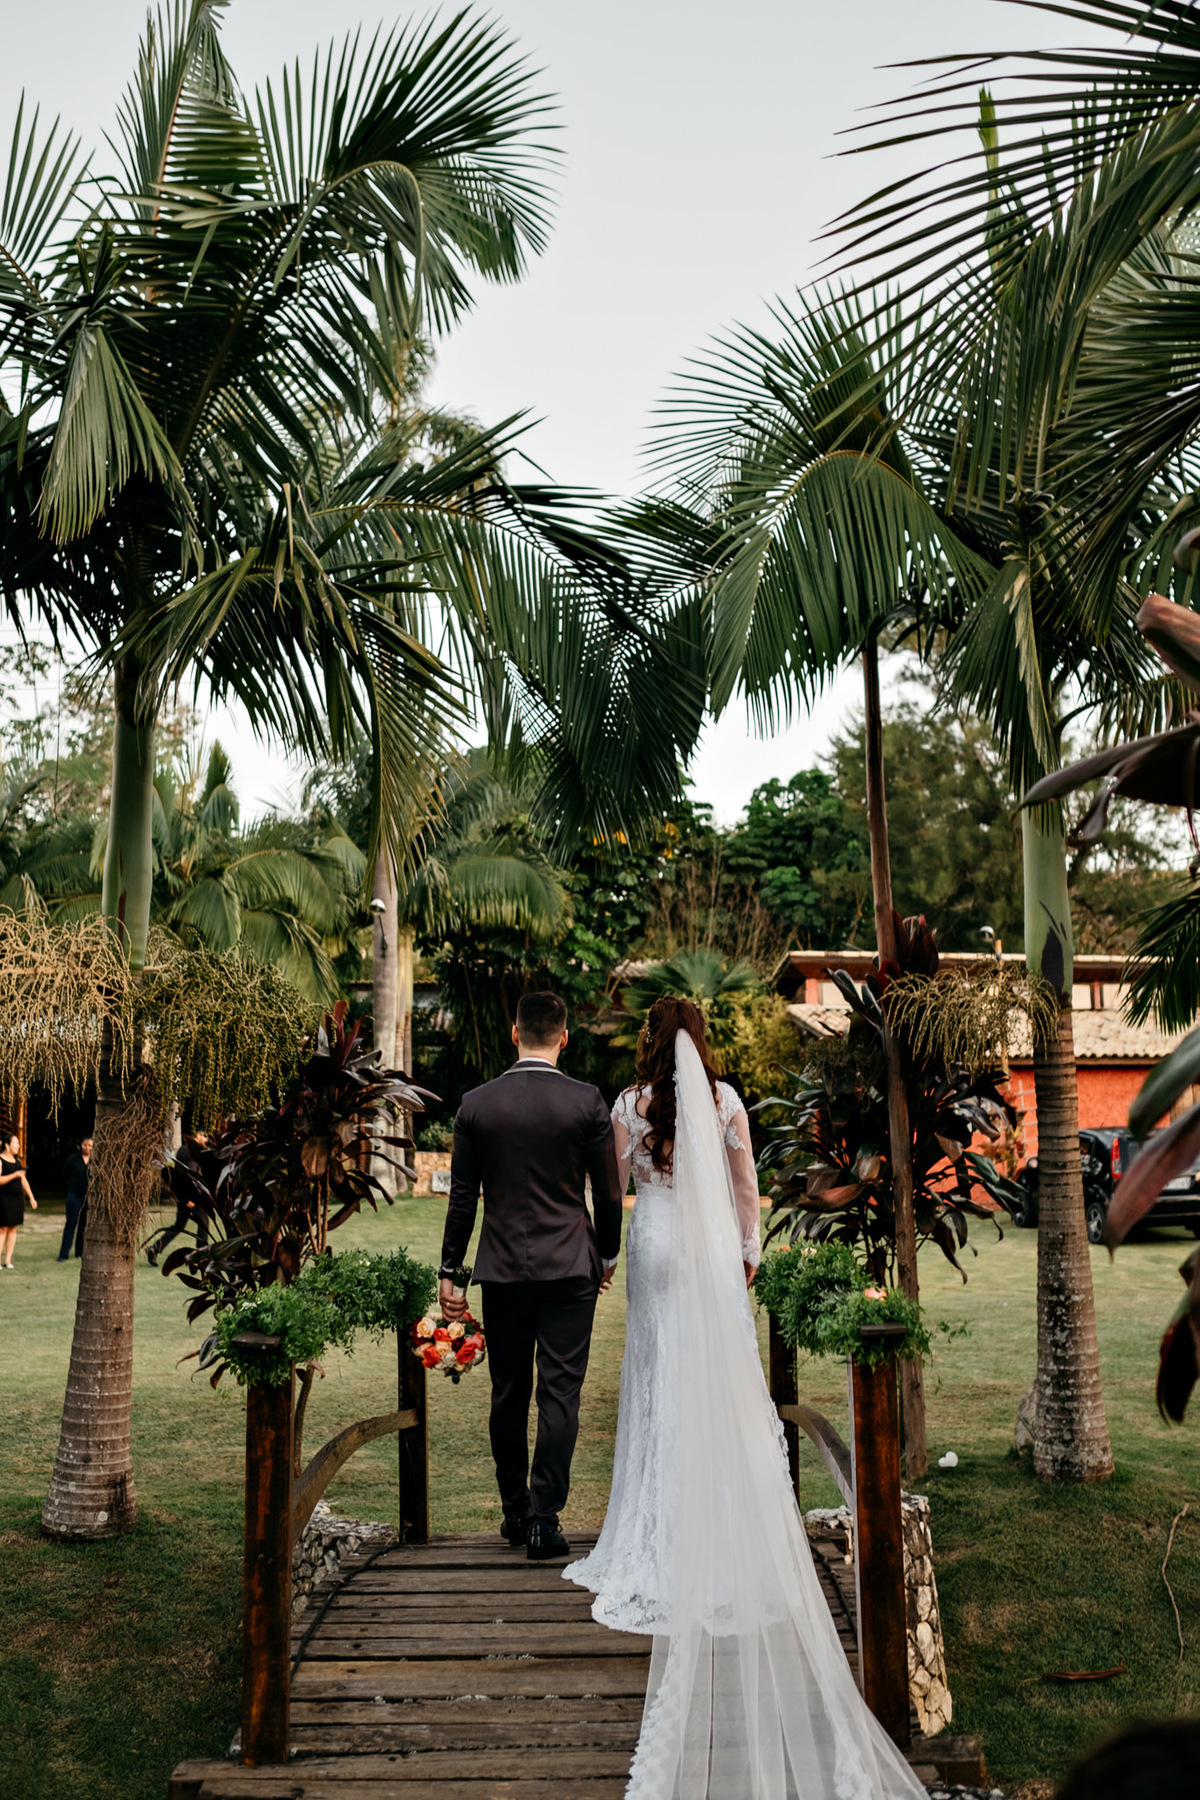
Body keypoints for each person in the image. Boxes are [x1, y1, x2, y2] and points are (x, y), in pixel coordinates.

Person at [567, 998, 925, 1800]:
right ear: (701, 1041)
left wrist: (610, 1247)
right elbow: (744, 1186)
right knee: (715, 1383)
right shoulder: (726, 1102)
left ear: (652, 1041)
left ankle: (649, 1532)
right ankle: (720, 1525)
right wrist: (749, 1251)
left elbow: (613, 1183)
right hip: (711, 1257)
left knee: (657, 1377)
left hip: (656, 1245)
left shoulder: (628, 1105)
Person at [439, 991, 624, 1562]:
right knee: (560, 1392)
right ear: (563, 1037)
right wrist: (608, 1256)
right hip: (571, 1267)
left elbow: (463, 1196)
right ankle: (546, 1521)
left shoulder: (475, 1104)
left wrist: (451, 1270)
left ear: (513, 1033)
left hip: (500, 1271)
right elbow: (610, 1193)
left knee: (508, 1391)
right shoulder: (588, 1102)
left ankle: (515, 1511)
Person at [145, 1130, 212, 1265]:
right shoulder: (189, 1151)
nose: (205, 1139)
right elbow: (186, 1175)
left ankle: (154, 1248)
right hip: (189, 1197)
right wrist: (188, 1199)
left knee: (179, 1226)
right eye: (204, 1136)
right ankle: (200, 1256)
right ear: (197, 1135)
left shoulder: (188, 1151)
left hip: (185, 1195)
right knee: (203, 1223)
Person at [0, 1131, 37, 1268]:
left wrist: (31, 1197)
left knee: (13, 1228)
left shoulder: (17, 1161)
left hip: (17, 1199)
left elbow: (23, 1181)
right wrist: (14, 1175)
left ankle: (8, 1260)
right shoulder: (0, 1160)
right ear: (7, 1145)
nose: (18, 1146)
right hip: (3, 1199)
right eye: (15, 1143)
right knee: (2, 1228)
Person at [58, 1136, 92, 1261]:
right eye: (85, 1145)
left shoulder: (96, 1160)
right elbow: (64, 1175)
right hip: (74, 1195)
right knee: (71, 1224)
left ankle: (80, 1252)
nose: (87, 1148)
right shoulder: (73, 1159)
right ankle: (64, 1253)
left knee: (83, 1225)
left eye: (90, 1146)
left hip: (88, 1197)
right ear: (80, 1145)